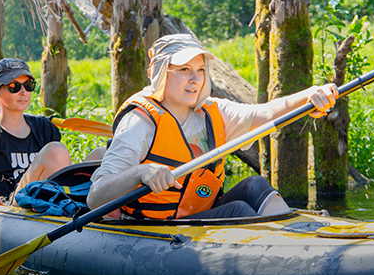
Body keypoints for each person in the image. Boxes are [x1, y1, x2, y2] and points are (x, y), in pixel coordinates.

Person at [87, 34, 339, 220]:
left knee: (254, 185)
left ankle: (297, 237)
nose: (195, 79)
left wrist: (309, 96)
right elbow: (96, 196)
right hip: (156, 231)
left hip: (201, 216)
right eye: (184, 70)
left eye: (200, 70)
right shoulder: (140, 122)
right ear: (160, 72)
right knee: (239, 210)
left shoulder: (212, 110)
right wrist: (141, 173)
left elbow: (267, 112)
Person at [0, 58, 72, 209]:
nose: (23, 92)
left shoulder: (44, 127)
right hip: (9, 203)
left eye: (28, 85)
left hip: (44, 199)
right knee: (56, 150)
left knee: (98, 154)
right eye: (13, 86)